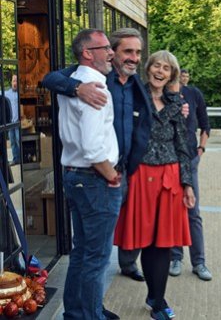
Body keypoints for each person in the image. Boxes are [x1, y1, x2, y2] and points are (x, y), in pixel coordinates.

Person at [43, 28, 148, 284]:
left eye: (138, 52)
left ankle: (96, 298)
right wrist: (78, 88)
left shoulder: (137, 86)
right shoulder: (96, 81)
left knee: (96, 247)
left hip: (120, 170)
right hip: (99, 174)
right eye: (127, 51)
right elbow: (49, 78)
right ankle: (92, 309)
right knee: (95, 255)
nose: (133, 58)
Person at [114, 50, 195, 320]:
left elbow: (183, 146)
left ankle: (157, 300)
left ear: (172, 74)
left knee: (162, 243)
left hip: (170, 178)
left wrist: (188, 184)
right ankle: (153, 294)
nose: (160, 71)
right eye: (156, 66)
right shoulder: (133, 95)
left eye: (167, 68)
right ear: (147, 69)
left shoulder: (177, 102)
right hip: (139, 176)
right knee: (145, 240)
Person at [58, 29, 123, 320]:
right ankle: (90, 315)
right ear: (87, 53)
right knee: (96, 258)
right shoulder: (95, 85)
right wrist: (111, 175)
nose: (112, 53)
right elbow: (93, 145)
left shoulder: (74, 83)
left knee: (82, 253)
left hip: (75, 176)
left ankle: (78, 313)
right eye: (105, 48)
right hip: (95, 179)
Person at [169, 69, 212, 281]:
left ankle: (199, 262)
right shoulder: (162, 95)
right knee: (173, 210)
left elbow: (205, 124)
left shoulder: (194, 93)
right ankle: (175, 257)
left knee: (193, 211)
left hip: (190, 158)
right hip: (168, 161)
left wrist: (201, 149)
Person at [5, 75, 20, 165]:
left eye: (16, 81)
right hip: (11, 123)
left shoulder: (20, 94)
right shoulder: (7, 93)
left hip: (18, 122)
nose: (15, 83)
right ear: (11, 82)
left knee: (19, 141)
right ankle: (15, 159)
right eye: (14, 81)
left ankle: (22, 160)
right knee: (13, 142)